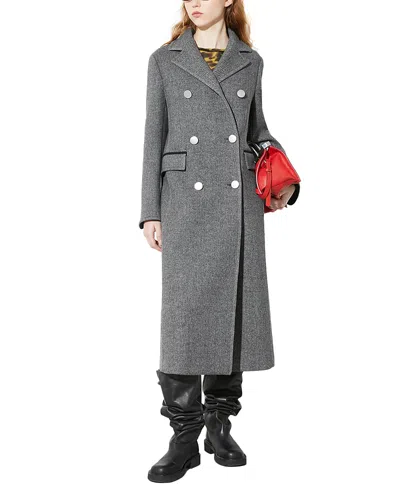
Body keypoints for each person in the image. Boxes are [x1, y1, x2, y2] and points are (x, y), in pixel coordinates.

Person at [139, 0, 300, 483]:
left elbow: (257, 131)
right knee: (184, 318)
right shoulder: (165, 59)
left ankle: (219, 423)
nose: (194, 2)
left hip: (238, 200)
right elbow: (153, 137)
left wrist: (283, 177)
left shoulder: (250, 60)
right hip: (184, 202)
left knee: (234, 314)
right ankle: (184, 436)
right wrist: (150, 211)